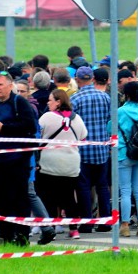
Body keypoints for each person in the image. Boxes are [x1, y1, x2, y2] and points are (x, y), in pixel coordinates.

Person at [0, 71, 37, 245]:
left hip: (17, 162)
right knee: (1, 201)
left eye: (0, 85)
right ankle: (6, 237)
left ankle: (22, 237)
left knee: (19, 200)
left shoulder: (19, 102)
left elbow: (29, 126)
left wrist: (4, 128)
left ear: (10, 85)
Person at [37, 89, 87, 241]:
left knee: (48, 197)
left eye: (50, 100)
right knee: (69, 197)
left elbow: (37, 136)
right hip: (71, 164)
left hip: (50, 163)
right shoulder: (77, 118)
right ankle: (73, 229)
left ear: (58, 102)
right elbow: (83, 138)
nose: (48, 102)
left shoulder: (46, 117)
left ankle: (51, 228)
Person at [71, 66, 112, 234]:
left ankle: (87, 222)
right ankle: (106, 221)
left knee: (84, 188)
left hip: (83, 150)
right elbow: (110, 120)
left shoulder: (75, 99)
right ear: (93, 78)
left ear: (78, 80)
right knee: (102, 187)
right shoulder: (105, 97)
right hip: (102, 149)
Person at [117, 82, 138, 237]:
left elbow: (111, 129)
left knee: (125, 190)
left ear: (126, 95)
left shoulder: (120, 111)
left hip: (124, 152)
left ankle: (125, 225)